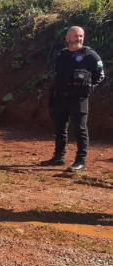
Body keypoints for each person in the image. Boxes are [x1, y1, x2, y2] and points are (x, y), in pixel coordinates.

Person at [41, 26, 105, 172]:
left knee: (80, 129)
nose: (78, 39)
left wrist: (88, 87)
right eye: (75, 36)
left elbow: (100, 75)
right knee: (60, 128)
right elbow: (56, 75)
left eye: (81, 36)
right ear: (67, 38)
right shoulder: (62, 55)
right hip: (61, 97)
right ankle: (58, 157)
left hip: (79, 99)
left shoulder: (90, 55)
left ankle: (80, 161)